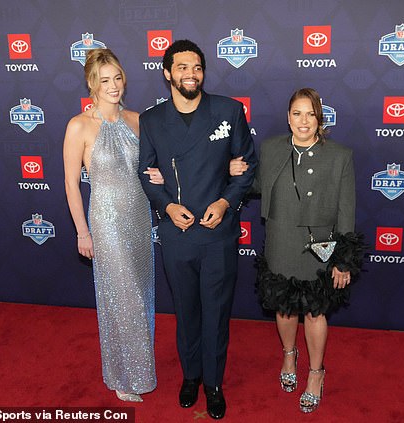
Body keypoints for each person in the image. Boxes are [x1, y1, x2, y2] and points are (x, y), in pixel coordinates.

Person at [137, 39, 257, 419]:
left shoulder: (228, 111)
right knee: (186, 310)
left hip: (218, 232)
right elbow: (146, 173)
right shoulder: (151, 120)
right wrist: (168, 206)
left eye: (197, 67)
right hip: (176, 232)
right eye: (183, 68)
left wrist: (224, 203)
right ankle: (191, 377)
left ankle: (213, 383)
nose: (191, 74)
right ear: (167, 73)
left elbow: (247, 165)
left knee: (216, 312)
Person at [232, 88, 363, 413]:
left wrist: (344, 260)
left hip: (319, 249)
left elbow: (346, 211)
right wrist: (236, 172)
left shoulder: (340, 155)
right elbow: (258, 186)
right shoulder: (272, 147)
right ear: (288, 117)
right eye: (296, 113)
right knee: (285, 308)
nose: (303, 121)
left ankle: (316, 373)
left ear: (320, 118)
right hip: (280, 242)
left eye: (310, 114)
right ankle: (289, 356)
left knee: (315, 312)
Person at [63, 48, 159, 402]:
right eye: (105, 80)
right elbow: (72, 183)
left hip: (138, 216)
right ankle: (123, 374)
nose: (114, 85)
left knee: (142, 296)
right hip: (105, 221)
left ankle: (137, 368)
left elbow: (149, 169)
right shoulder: (79, 126)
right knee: (122, 299)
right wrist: (82, 232)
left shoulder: (137, 120)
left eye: (117, 77)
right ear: (92, 83)